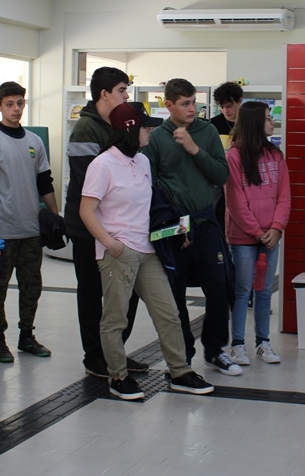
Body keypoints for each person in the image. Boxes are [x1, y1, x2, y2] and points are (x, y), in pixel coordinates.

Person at [79, 102, 216, 400]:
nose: (150, 131)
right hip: (119, 252)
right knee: (116, 318)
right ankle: (118, 376)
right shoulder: (102, 165)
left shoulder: (142, 161)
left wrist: (174, 230)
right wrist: (111, 244)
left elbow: (152, 205)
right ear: (129, 130)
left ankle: (180, 372)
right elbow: (86, 211)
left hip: (148, 249)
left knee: (168, 313)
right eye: (146, 127)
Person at [144, 78, 238, 375]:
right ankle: (182, 354)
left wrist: (195, 149)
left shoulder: (207, 131)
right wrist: (173, 225)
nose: (192, 108)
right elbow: (149, 187)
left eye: (194, 102)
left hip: (205, 220)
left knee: (220, 287)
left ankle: (215, 350)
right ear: (168, 105)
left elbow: (221, 175)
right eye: (185, 103)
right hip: (174, 226)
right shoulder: (157, 138)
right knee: (175, 296)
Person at [64, 67, 145, 378]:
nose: (126, 95)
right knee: (91, 292)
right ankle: (95, 357)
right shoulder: (85, 128)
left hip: (119, 226)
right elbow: (88, 181)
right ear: (104, 93)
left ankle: (114, 352)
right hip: (89, 227)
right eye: (122, 90)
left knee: (125, 292)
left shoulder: (117, 124)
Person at [0, 82, 59, 363]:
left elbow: (44, 182)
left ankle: (26, 335)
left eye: (20, 103)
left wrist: (55, 217)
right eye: (9, 104)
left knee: (31, 287)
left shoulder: (34, 142)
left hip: (31, 230)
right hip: (2, 230)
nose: (16, 109)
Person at [225, 101, 291, 366]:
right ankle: (237, 345)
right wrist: (257, 231)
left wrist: (276, 228)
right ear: (254, 123)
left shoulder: (276, 155)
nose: (272, 122)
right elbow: (236, 202)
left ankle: (263, 342)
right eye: (267, 118)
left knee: (263, 290)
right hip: (243, 237)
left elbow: (284, 196)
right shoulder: (234, 156)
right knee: (243, 290)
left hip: (270, 237)